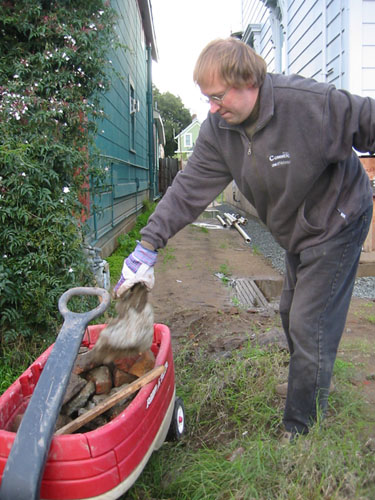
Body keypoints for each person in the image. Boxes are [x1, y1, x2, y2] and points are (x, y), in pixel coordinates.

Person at [114, 38, 374, 440]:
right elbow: (187, 189)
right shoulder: (221, 130)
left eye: (218, 97)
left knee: (310, 323)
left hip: (339, 219)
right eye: (207, 99)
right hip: (297, 230)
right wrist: (147, 247)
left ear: (249, 80)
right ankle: (311, 385)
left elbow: (369, 120)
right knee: (290, 312)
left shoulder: (308, 104)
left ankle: (302, 428)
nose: (212, 108)